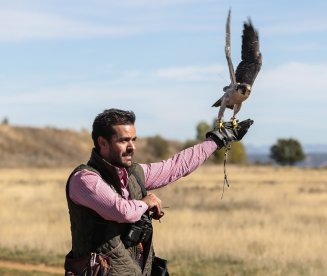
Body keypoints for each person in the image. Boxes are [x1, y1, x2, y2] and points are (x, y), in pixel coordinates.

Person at [64, 108, 253, 276]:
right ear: (102, 143)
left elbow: (175, 167)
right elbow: (121, 211)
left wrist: (217, 140)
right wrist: (145, 202)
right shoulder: (85, 179)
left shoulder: (134, 173)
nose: (132, 147)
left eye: (133, 140)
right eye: (124, 140)